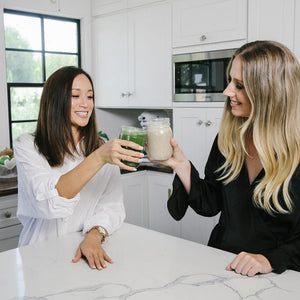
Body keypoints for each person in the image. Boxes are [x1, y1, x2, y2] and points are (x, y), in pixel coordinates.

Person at [162, 41, 300, 276]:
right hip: (223, 264)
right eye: (230, 81)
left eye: (239, 86)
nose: (227, 92)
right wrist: (184, 168)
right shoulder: (229, 139)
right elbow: (211, 204)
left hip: (281, 277)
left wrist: (269, 260)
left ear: (268, 92)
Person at [14, 66, 144, 270]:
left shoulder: (101, 147)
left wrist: (94, 236)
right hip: (38, 255)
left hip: (84, 254)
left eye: (90, 96)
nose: (86, 104)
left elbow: (111, 206)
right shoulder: (27, 146)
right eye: (75, 96)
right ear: (55, 101)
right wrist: (99, 157)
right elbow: (48, 201)